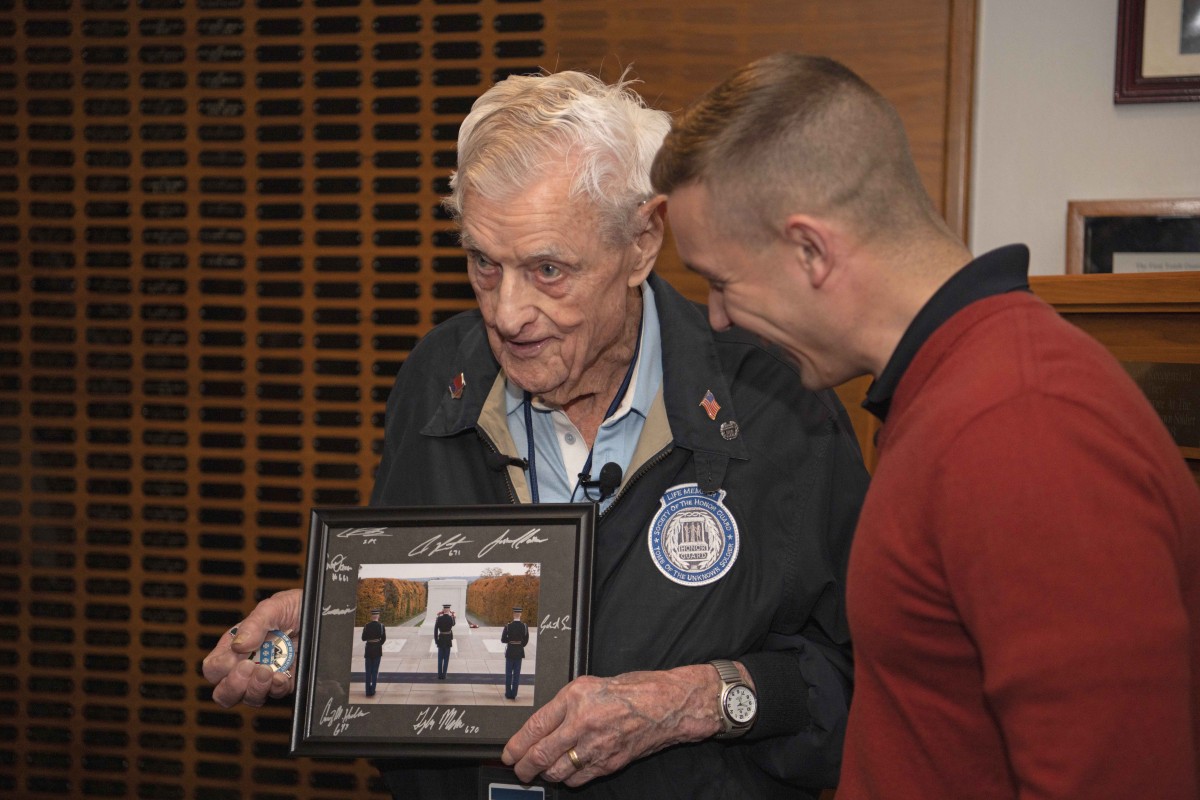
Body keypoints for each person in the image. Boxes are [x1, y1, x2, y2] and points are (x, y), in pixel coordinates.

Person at [202, 68, 869, 799]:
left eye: (547, 269)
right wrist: (331, 622)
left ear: (643, 242)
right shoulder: (438, 375)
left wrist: (698, 701)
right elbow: (428, 619)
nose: (508, 313)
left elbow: (865, 683)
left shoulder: (776, 404)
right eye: (484, 263)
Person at [651, 51, 1200, 799]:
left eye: (721, 282)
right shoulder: (950, 393)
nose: (716, 318)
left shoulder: (1023, 427)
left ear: (810, 249)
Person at [501, 606, 530, 700]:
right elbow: (526, 640)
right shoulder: (524, 626)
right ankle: (514, 694)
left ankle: (508, 693)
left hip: (510, 652)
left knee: (508, 674)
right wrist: (519, 645)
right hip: (519, 652)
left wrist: (510, 641)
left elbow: (503, 639)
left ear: (513, 614)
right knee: (517, 674)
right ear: (520, 614)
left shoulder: (508, 626)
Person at [361, 608, 386, 697]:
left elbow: (363, 638)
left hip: (368, 650)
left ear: (372, 616)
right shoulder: (381, 626)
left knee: (368, 671)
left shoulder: (367, 626)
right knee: (375, 671)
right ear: (378, 616)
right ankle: (373, 690)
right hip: (377, 650)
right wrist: (378, 644)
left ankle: (367, 691)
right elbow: (383, 639)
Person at [434, 603, 456, 679]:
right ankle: (444, 675)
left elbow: (435, 630)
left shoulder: (439, 618)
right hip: (448, 641)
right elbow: (453, 624)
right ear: (449, 610)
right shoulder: (451, 618)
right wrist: (453, 615)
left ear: (443, 610)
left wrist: (436, 640)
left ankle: (439, 675)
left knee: (440, 658)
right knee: (446, 658)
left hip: (441, 640)